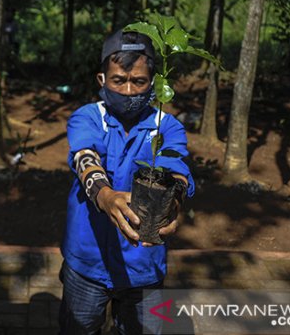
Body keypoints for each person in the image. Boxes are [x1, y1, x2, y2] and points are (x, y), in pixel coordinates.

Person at [59, 29, 194, 334]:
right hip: (87, 262)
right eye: (119, 80)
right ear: (102, 80)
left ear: (154, 82)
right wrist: (104, 195)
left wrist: (174, 200)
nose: (130, 91)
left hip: (144, 265)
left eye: (140, 81)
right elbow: (84, 156)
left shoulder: (167, 126)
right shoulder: (88, 117)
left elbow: (177, 169)